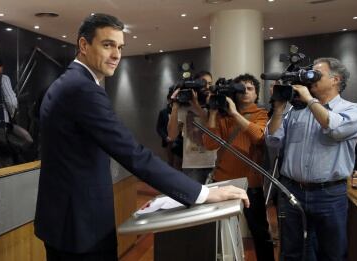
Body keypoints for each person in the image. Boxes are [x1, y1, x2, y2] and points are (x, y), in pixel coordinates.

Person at [34, 13, 249, 261]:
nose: (116, 55)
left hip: (64, 221)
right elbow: (132, 154)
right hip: (80, 227)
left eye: (120, 47)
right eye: (107, 45)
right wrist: (203, 193)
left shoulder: (67, 82)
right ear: (84, 45)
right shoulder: (82, 89)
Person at [266, 57, 357, 260]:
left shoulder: (352, 110)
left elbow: (334, 129)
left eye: (316, 74)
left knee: (332, 253)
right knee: (292, 252)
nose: (309, 78)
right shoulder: (295, 111)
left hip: (329, 194)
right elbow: (273, 142)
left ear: (335, 79)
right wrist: (278, 109)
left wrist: (310, 100)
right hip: (292, 191)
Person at [202, 73, 275, 261]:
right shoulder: (222, 117)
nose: (245, 92)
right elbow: (210, 144)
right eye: (241, 89)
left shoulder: (262, 114)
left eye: (250, 88)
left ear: (257, 94)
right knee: (222, 233)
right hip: (223, 182)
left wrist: (235, 113)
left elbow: (259, 136)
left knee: (260, 232)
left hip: (251, 184)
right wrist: (212, 112)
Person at [167, 71, 216, 184]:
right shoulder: (184, 107)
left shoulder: (214, 105)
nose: (207, 87)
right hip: (192, 165)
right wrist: (174, 106)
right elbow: (172, 135)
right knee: (195, 201)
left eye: (210, 83)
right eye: (203, 83)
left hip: (214, 163)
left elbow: (213, 130)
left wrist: (197, 107)